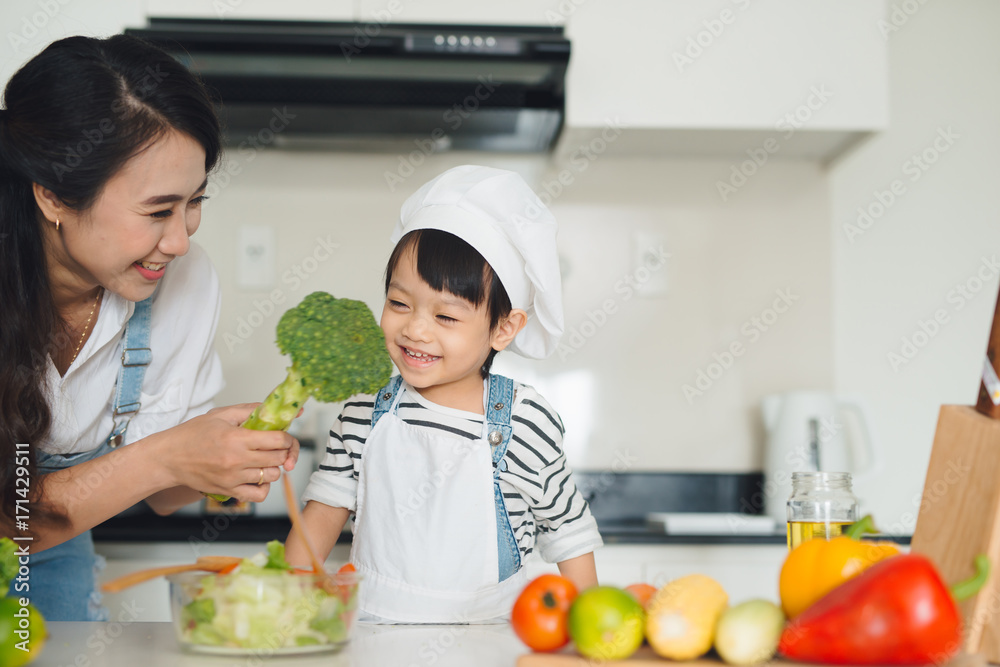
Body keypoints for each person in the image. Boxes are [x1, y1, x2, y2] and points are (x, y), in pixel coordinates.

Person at [0, 35, 298, 621]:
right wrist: (166, 457)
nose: (181, 240)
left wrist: (220, 458)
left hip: (52, 553)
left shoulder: (185, 283)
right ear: (54, 194)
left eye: (195, 202)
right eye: (158, 211)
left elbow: (163, 495)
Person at [286, 165, 602, 623]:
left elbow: (568, 532)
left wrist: (591, 637)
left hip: (490, 642)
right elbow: (320, 519)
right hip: (372, 638)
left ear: (504, 327)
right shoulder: (363, 413)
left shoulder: (522, 422)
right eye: (399, 303)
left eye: (447, 317)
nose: (415, 329)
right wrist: (279, 601)